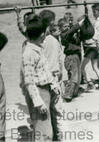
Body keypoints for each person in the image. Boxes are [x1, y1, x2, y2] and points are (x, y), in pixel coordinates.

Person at [20, 15, 60, 141]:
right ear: (41, 34)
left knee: (46, 129)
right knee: (43, 131)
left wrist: (53, 84)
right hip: (39, 92)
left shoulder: (38, 48)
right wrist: (37, 101)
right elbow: (29, 81)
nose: (46, 34)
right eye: (45, 32)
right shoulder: (29, 53)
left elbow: (45, 70)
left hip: (46, 90)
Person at [39, 9, 64, 141]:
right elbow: (61, 60)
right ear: (51, 22)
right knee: (57, 113)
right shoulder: (54, 41)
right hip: (54, 79)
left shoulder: (38, 41)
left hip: (43, 82)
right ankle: (59, 138)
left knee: (46, 115)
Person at [81, 3, 99, 91]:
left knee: (83, 66)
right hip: (95, 45)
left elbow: (98, 34)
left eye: (95, 11)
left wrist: (98, 41)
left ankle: (90, 83)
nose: (93, 13)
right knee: (95, 66)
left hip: (92, 45)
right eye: (93, 11)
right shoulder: (97, 20)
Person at [59, 16, 83, 101]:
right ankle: (68, 94)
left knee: (77, 75)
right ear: (60, 29)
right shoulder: (64, 35)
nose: (67, 28)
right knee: (73, 76)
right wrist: (78, 24)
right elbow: (71, 31)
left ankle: (74, 92)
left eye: (67, 26)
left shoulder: (70, 34)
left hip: (76, 55)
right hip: (70, 57)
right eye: (64, 27)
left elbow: (74, 32)